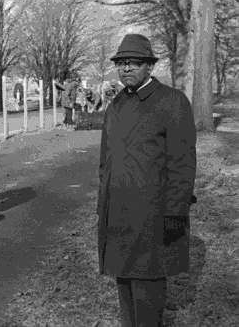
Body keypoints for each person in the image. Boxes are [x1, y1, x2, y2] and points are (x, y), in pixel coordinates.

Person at [97, 33, 197, 327]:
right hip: (117, 214)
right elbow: (106, 160)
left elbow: (183, 162)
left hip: (151, 215)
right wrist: (103, 202)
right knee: (124, 286)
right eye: (121, 63)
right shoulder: (115, 105)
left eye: (134, 63)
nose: (126, 68)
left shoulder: (172, 102)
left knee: (148, 288)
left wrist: (176, 212)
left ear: (149, 66)